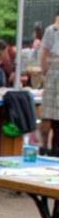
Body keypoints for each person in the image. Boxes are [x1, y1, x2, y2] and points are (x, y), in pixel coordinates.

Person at [40, 14, 59, 155]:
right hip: (53, 71)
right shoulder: (51, 30)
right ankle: (44, 146)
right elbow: (44, 52)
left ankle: (55, 147)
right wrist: (44, 70)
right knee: (48, 114)